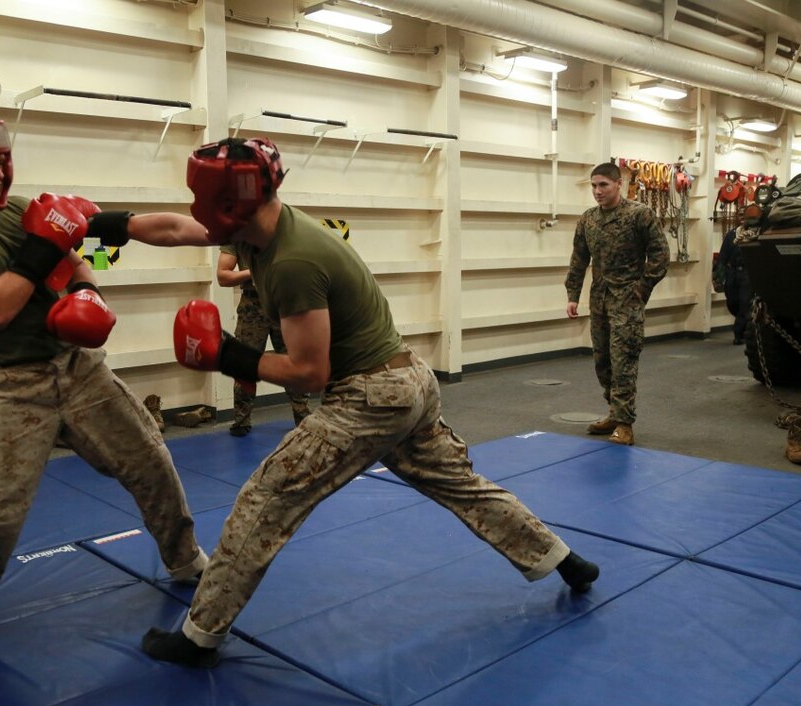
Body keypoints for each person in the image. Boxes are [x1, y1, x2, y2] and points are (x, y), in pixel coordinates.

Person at [141, 136, 601, 668]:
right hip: (410, 378)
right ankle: (564, 561)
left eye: (203, 197)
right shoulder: (262, 223)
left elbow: (310, 374)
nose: (195, 209)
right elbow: (176, 228)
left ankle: (199, 638)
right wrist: (100, 226)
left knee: (266, 499)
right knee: (462, 486)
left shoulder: (291, 261)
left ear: (229, 205)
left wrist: (227, 356)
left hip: (369, 398)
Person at [0, 115, 211, 658]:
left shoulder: (23, 212)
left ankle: (185, 559)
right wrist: (41, 249)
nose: (0, 172)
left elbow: (74, 268)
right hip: (6, 385)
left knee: (150, 462)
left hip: (79, 368)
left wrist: (89, 298)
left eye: (4, 160)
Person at [566, 161, 670, 447]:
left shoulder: (640, 215)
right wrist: (572, 295)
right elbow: (578, 259)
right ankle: (613, 412)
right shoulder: (588, 219)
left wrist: (642, 288)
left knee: (624, 360)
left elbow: (661, 255)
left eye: (603, 185)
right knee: (603, 361)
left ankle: (625, 424)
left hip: (627, 298)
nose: (597, 191)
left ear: (618, 184)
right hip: (599, 298)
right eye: (594, 186)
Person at [216, 242, 310, 436]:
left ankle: (303, 418)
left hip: (283, 305)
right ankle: (241, 421)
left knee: (294, 363)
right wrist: (253, 272)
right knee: (244, 364)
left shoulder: (285, 235)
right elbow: (223, 276)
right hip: (252, 306)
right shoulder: (237, 239)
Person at [716, 227, 752, 345]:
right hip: (733, 273)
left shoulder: (755, 232)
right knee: (732, 302)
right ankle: (744, 323)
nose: (742, 217)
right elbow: (722, 256)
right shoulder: (732, 234)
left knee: (744, 302)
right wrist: (720, 277)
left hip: (748, 273)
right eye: (740, 214)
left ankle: (739, 333)